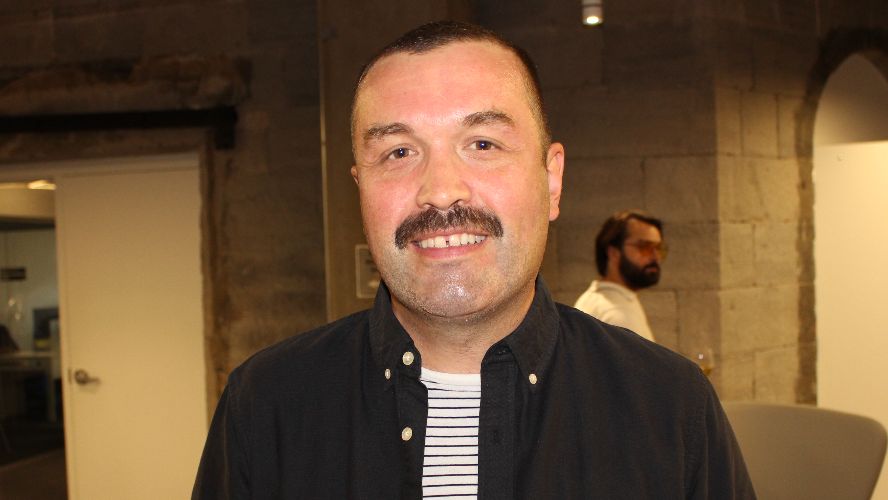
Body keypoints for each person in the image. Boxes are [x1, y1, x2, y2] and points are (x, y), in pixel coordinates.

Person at [192, 21, 755, 499]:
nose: (441, 191)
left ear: (551, 180)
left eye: (482, 144)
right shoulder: (264, 408)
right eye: (398, 152)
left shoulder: (671, 408)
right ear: (360, 190)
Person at [574, 210, 666, 342]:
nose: (656, 257)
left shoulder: (600, 299)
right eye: (644, 247)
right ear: (613, 253)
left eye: (658, 248)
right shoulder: (616, 314)